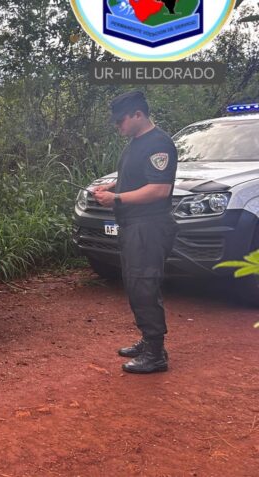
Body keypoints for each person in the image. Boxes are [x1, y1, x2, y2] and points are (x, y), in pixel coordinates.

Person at [92, 90, 178, 374]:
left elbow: (159, 189)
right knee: (136, 284)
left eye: (121, 121)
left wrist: (117, 199)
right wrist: (111, 188)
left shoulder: (159, 144)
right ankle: (148, 340)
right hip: (133, 226)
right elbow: (133, 178)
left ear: (138, 115)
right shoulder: (135, 143)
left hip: (149, 226)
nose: (119, 127)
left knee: (144, 284)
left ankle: (155, 354)